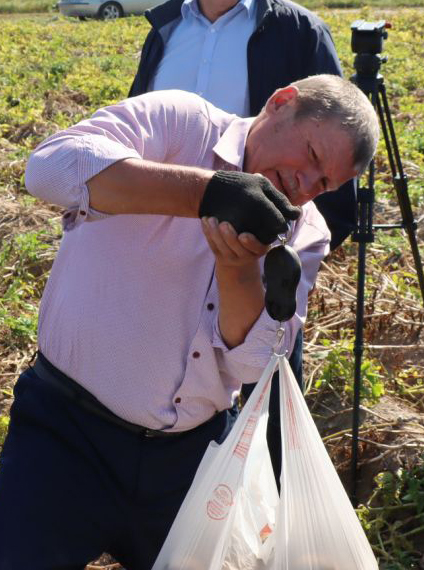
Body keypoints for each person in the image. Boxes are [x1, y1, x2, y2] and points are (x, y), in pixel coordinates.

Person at [0, 75, 378, 570]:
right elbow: (48, 168)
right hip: (63, 431)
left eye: (324, 184)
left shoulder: (300, 232)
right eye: (309, 156)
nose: (305, 187)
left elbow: (254, 363)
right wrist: (206, 193)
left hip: (195, 454)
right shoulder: (176, 122)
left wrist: (237, 270)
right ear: (280, 103)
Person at [129, 0, 358, 484]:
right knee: (165, 395)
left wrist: (288, 250)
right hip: (164, 262)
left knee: (264, 393)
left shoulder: (296, 30)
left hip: (258, 259)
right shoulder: (167, 26)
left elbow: (337, 149)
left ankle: (264, 508)